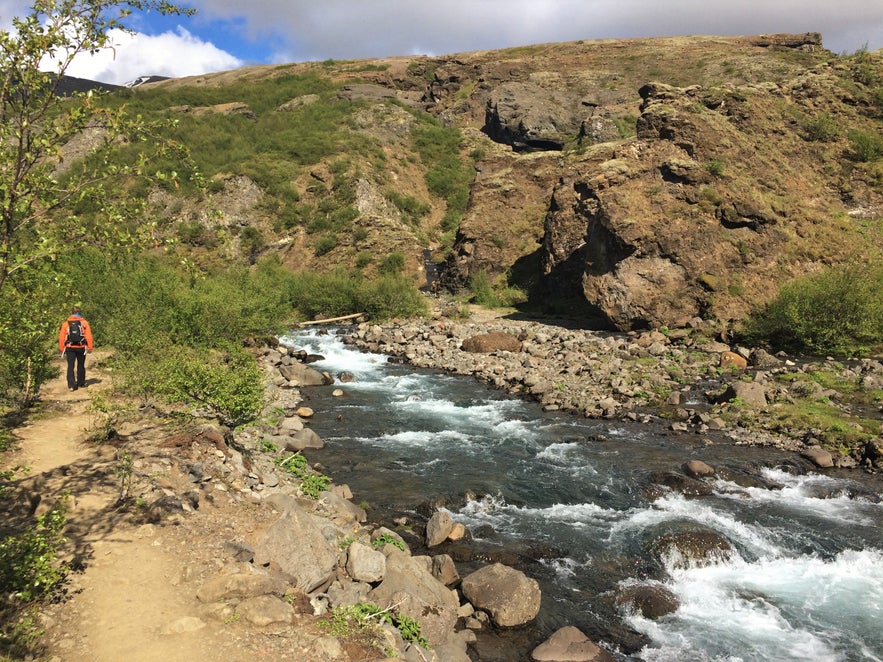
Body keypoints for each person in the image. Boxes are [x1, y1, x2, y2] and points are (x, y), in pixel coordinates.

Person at [58, 306, 94, 391]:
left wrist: (62, 348)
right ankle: (81, 382)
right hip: (81, 347)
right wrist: (90, 347)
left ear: (71, 313)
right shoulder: (84, 323)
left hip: (69, 347)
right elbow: (88, 336)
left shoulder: (66, 323)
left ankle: (71, 385)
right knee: (81, 365)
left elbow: (61, 337)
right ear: (80, 313)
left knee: (70, 366)